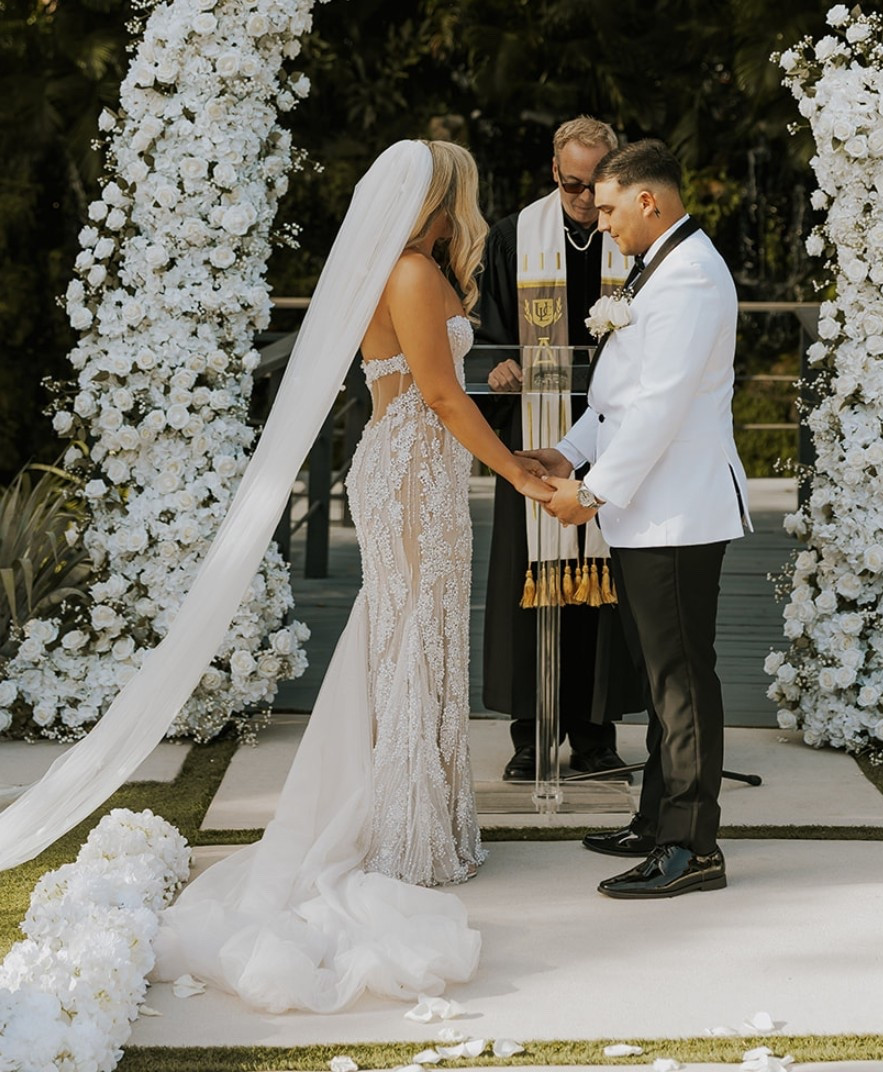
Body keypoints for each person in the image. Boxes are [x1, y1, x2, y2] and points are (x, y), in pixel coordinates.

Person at [0, 140, 550, 1011]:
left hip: (428, 472)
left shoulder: (420, 269)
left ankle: (428, 823)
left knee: (425, 632)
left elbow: (443, 394)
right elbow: (438, 399)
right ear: (445, 194)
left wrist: (513, 452)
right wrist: (519, 478)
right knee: (407, 634)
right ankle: (403, 836)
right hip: (407, 472)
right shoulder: (409, 274)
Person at [522, 138, 751, 900]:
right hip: (647, 511)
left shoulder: (687, 278)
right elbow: (616, 396)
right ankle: (657, 821)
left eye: (612, 207)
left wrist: (588, 494)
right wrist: (564, 452)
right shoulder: (654, 268)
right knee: (662, 682)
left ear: (649, 200)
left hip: (678, 513)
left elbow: (660, 407)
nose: (601, 220)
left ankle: (692, 848)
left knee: (682, 681)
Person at [477, 117, 643, 781]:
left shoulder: (629, 237)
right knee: (533, 583)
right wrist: (498, 366)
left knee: (605, 590)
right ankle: (531, 735)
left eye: (593, 184)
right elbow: (484, 329)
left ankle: (596, 735)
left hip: (614, 433)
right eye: (571, 183)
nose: (580, 197)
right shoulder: (514, 236)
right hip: (536, 436)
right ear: (554, 171)